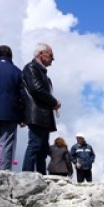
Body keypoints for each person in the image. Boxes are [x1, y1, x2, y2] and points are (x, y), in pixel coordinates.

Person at [21, 43, 60, 174]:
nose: (52, 59)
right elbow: (36, 89)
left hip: (42, 115)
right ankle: (27, 174)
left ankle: (41, 175)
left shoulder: (41, 72)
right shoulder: (31, 68)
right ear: (41, 54)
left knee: (43, 148)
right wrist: (53, 101)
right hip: (36, 114)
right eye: (51, 55)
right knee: (35, 145)